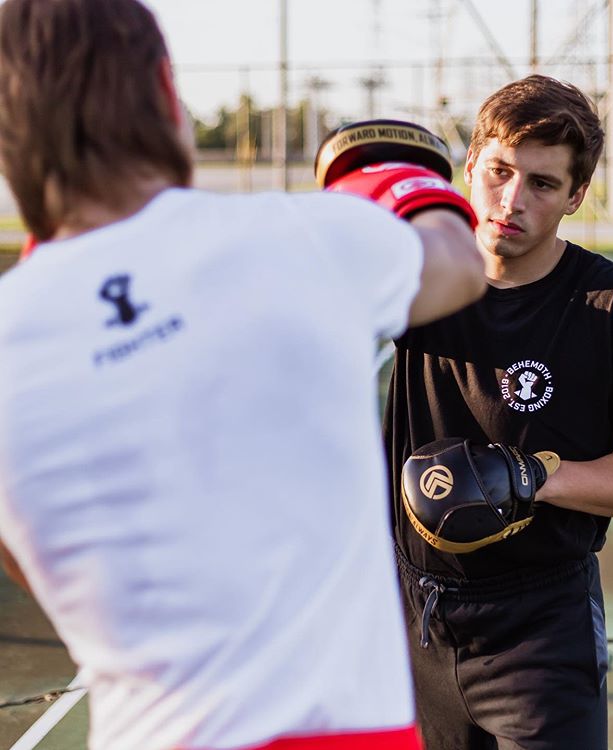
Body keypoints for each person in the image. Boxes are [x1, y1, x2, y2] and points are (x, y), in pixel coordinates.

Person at [0, 2, 486, 749]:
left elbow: (34, 559)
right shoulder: (298, 239)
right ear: (167, 94)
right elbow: (456, 264)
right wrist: (397, 183)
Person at [383, 74, 613, 750]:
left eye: (543, 184)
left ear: (576, 196)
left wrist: (531, 477)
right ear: (469, 167)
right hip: (411, 624)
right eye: (498, 172)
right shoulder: (412, 284)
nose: (511, 200)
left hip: (540, 630)